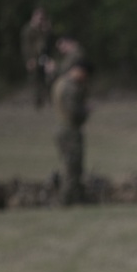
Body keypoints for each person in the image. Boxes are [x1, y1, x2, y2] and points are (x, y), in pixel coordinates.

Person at [51, 59, 92, 205]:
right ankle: (66, 200)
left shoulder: (61, 83)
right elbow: (74, 112)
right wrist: (85, 111)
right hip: (69, 130)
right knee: (72, 167)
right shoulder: (71, 87)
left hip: (64, 128)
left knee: (72, 166)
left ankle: (74, 198)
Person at [20, 8, 53, 109]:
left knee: (47, 78)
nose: (40, 20)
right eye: (39, 18)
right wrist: (29, 59)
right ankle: (37, 103)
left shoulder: (43, 29)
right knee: (35, 81)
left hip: (43, 56)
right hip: (33, 57)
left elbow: (47, 43)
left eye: (42, 18)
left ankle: (49, 100)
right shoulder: (28, 30)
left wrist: (46, 30)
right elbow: (26, 46)